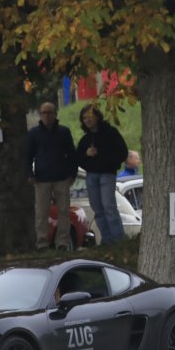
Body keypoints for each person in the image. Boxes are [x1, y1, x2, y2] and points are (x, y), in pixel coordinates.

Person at [25, 102, 78, 249]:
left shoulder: (64, 132)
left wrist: (72, 174)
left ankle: (62, 242)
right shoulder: (34, 133)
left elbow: (72, 154)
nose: (47, 116)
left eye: (49, 113)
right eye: (44, 113)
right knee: (41, 213)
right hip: (41, 179)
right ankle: (42, 242)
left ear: (55, 114)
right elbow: (28, 155)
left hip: (62, 177)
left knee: (64, 211)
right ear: (40, 115)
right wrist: (29, 174)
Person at [76, 103, 128, 244]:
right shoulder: (85, 139)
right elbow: (78, 158)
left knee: (109, 207)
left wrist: (107, 160)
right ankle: (107, 239)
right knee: (97, 209)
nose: (87, 120)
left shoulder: (111, 133)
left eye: (90, 116)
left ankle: (118, 239)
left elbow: (122, 152)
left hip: (107, 174)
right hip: (91, 175)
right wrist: (86, 154)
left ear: (97, 117)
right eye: (84, 118)